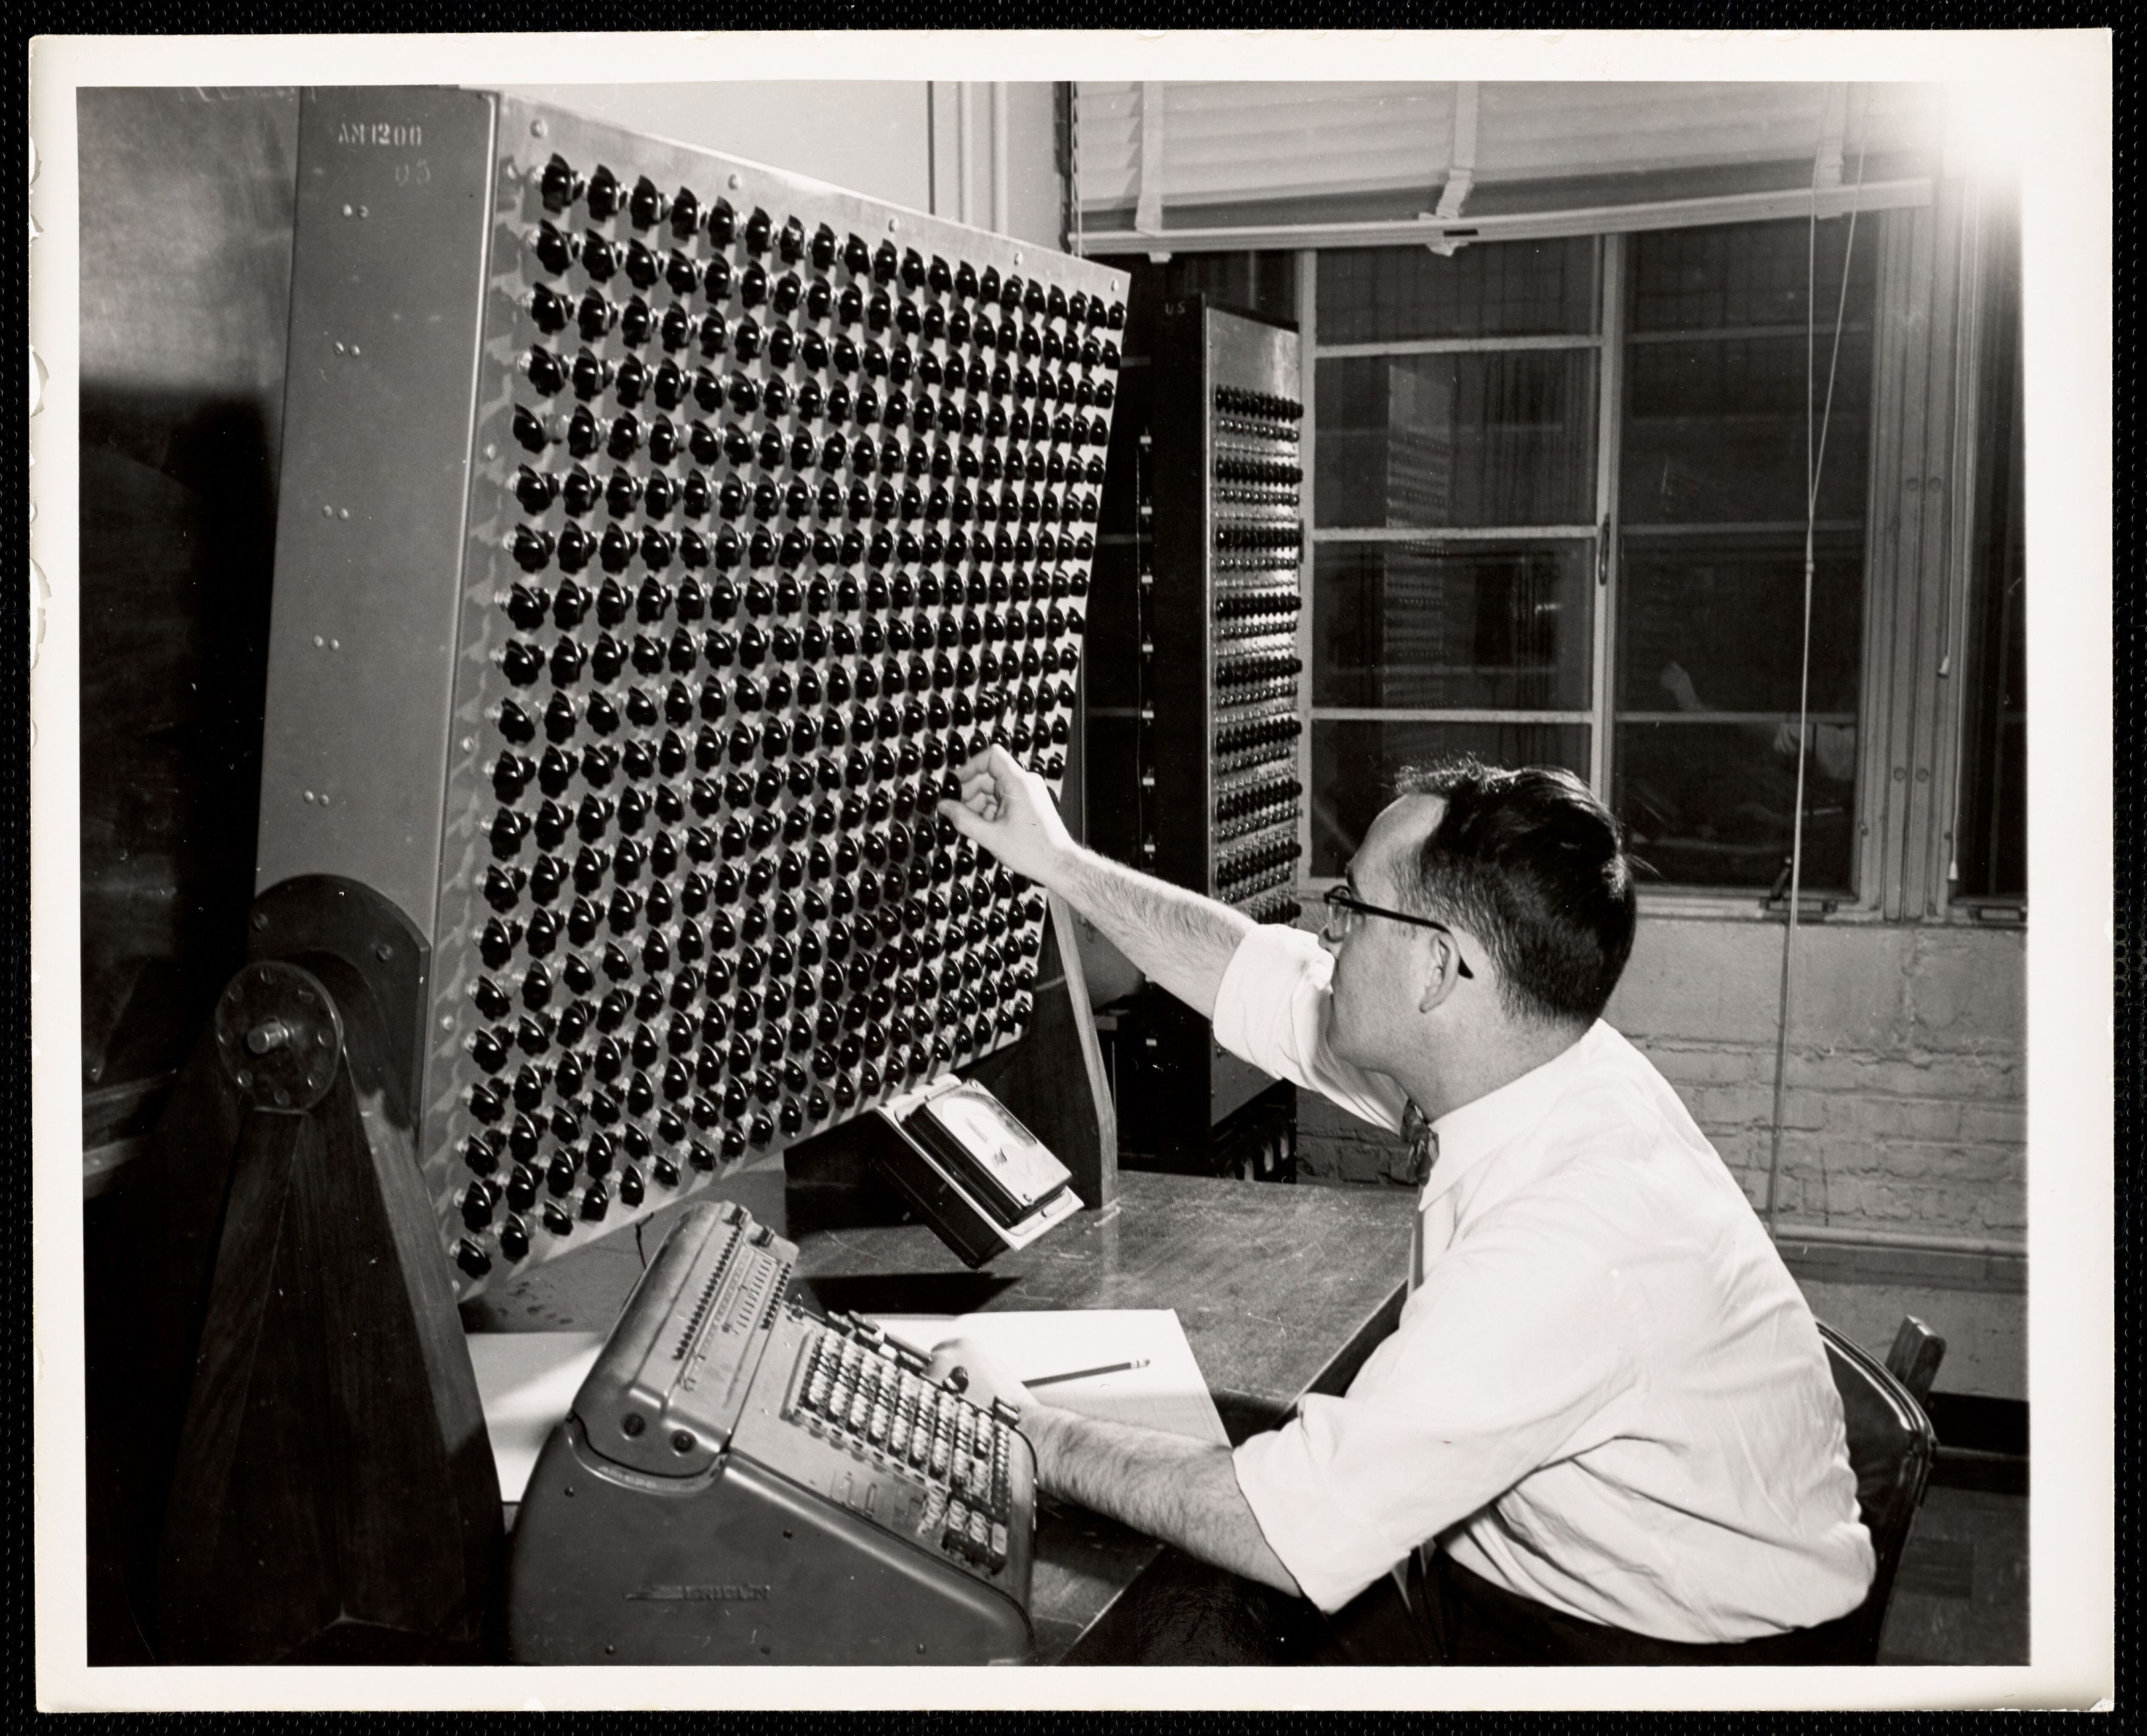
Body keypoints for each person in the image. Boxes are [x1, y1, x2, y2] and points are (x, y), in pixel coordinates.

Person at [926, 747, 1876, 1665]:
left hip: (1666, 1655)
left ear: (1436, 968)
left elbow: (1286, 1524)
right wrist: (1056, 860)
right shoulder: (1520, 1048)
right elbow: (1256, 973)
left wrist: (1023, 1428)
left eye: (1350, 910)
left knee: (1154, 1627)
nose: (1327, 933)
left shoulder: (1574, 1235)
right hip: (1542, 1579)